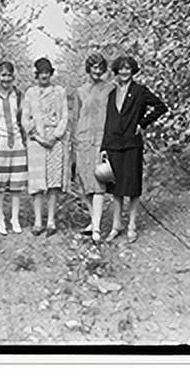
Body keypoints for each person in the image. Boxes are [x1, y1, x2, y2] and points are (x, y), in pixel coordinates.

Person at [100, 55, 168, 243]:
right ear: (116, 71)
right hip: (114, 144)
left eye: (128, 68)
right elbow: (109, 120)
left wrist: (142, 123)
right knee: (116, 187)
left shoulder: (140, 91)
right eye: (121, 68)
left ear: (133, 70)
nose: (124, 72)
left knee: (132, 186)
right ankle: (116, 225)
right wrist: (104, 146)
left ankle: (131, 225)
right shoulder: (112, 93)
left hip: (132, 143)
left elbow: (161, 107)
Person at [21, 57, 69, 236]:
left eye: (47, 73)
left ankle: (51, 221)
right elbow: (25, 118)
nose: (44, 76)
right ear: (36, 74)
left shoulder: (59, 92)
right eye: (41, 73)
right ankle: (37, 221)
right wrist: (37, 136)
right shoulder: (30, 93)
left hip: (55, 140)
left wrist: (56, 135)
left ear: (51, 74)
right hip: (36, 141)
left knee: (53, 182)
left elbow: (65, 115)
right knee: (37, 183)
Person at [71, 53, 114, 242]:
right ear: (88, 68)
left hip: (101, 140)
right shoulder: (80, 91)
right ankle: (93, 220)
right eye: (94, 67)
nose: (97, 71)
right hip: (82, 140)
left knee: (98, 184)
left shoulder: (110, 89)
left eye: (100, 68)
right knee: (84, 184)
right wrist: (74, 141)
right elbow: (75, 117)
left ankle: (96, 228)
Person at [0, 61, 28, 235]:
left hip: (17, 141)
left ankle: (15, 218)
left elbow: (23, 118)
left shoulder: (18, 95)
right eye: (3, 75)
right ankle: (0, 217)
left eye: (9, 75)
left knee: (16, 184)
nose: (6, 79)